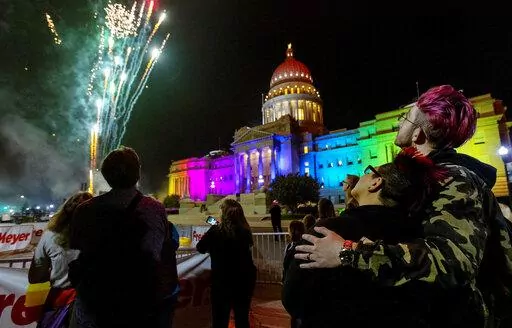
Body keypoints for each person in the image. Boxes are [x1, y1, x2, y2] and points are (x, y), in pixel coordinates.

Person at [294, 85, 512, 327]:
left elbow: (450, 262)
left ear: (418, 134)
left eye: (405, 118)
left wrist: (347, 252)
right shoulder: (423, 180)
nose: (399, 122)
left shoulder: (455, 179)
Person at [283, 148, 444, 327]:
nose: (361, 175)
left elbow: (292, 296)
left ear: (376, 183)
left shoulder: (329, 229)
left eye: (368, 171)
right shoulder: (417, 233)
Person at [69, 147, 179, 328]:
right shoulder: (154, 208)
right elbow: (162, 251)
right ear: (138, 173)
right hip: (139, 304)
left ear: (105, 174)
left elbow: (74, 258)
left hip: (95, 305)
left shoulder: (85, 210)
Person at [29, 191, 93, 328]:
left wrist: (57, 273)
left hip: (59, 305)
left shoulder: (49, 236)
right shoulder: (105, 236)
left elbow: (35, 276)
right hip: (94, 308)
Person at [196, 199, 256, 328]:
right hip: (243, 283)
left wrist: (215, 226)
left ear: (223, 213)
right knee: (242, 319)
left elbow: (200, 248)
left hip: (222, 283)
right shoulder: (245, 232)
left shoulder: (216, 231)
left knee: (219, 320)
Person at [283, 220, 306, 328]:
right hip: (300, 286)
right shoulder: (304, 248)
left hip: (289, 285)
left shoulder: (289, 247)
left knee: (294, 316)